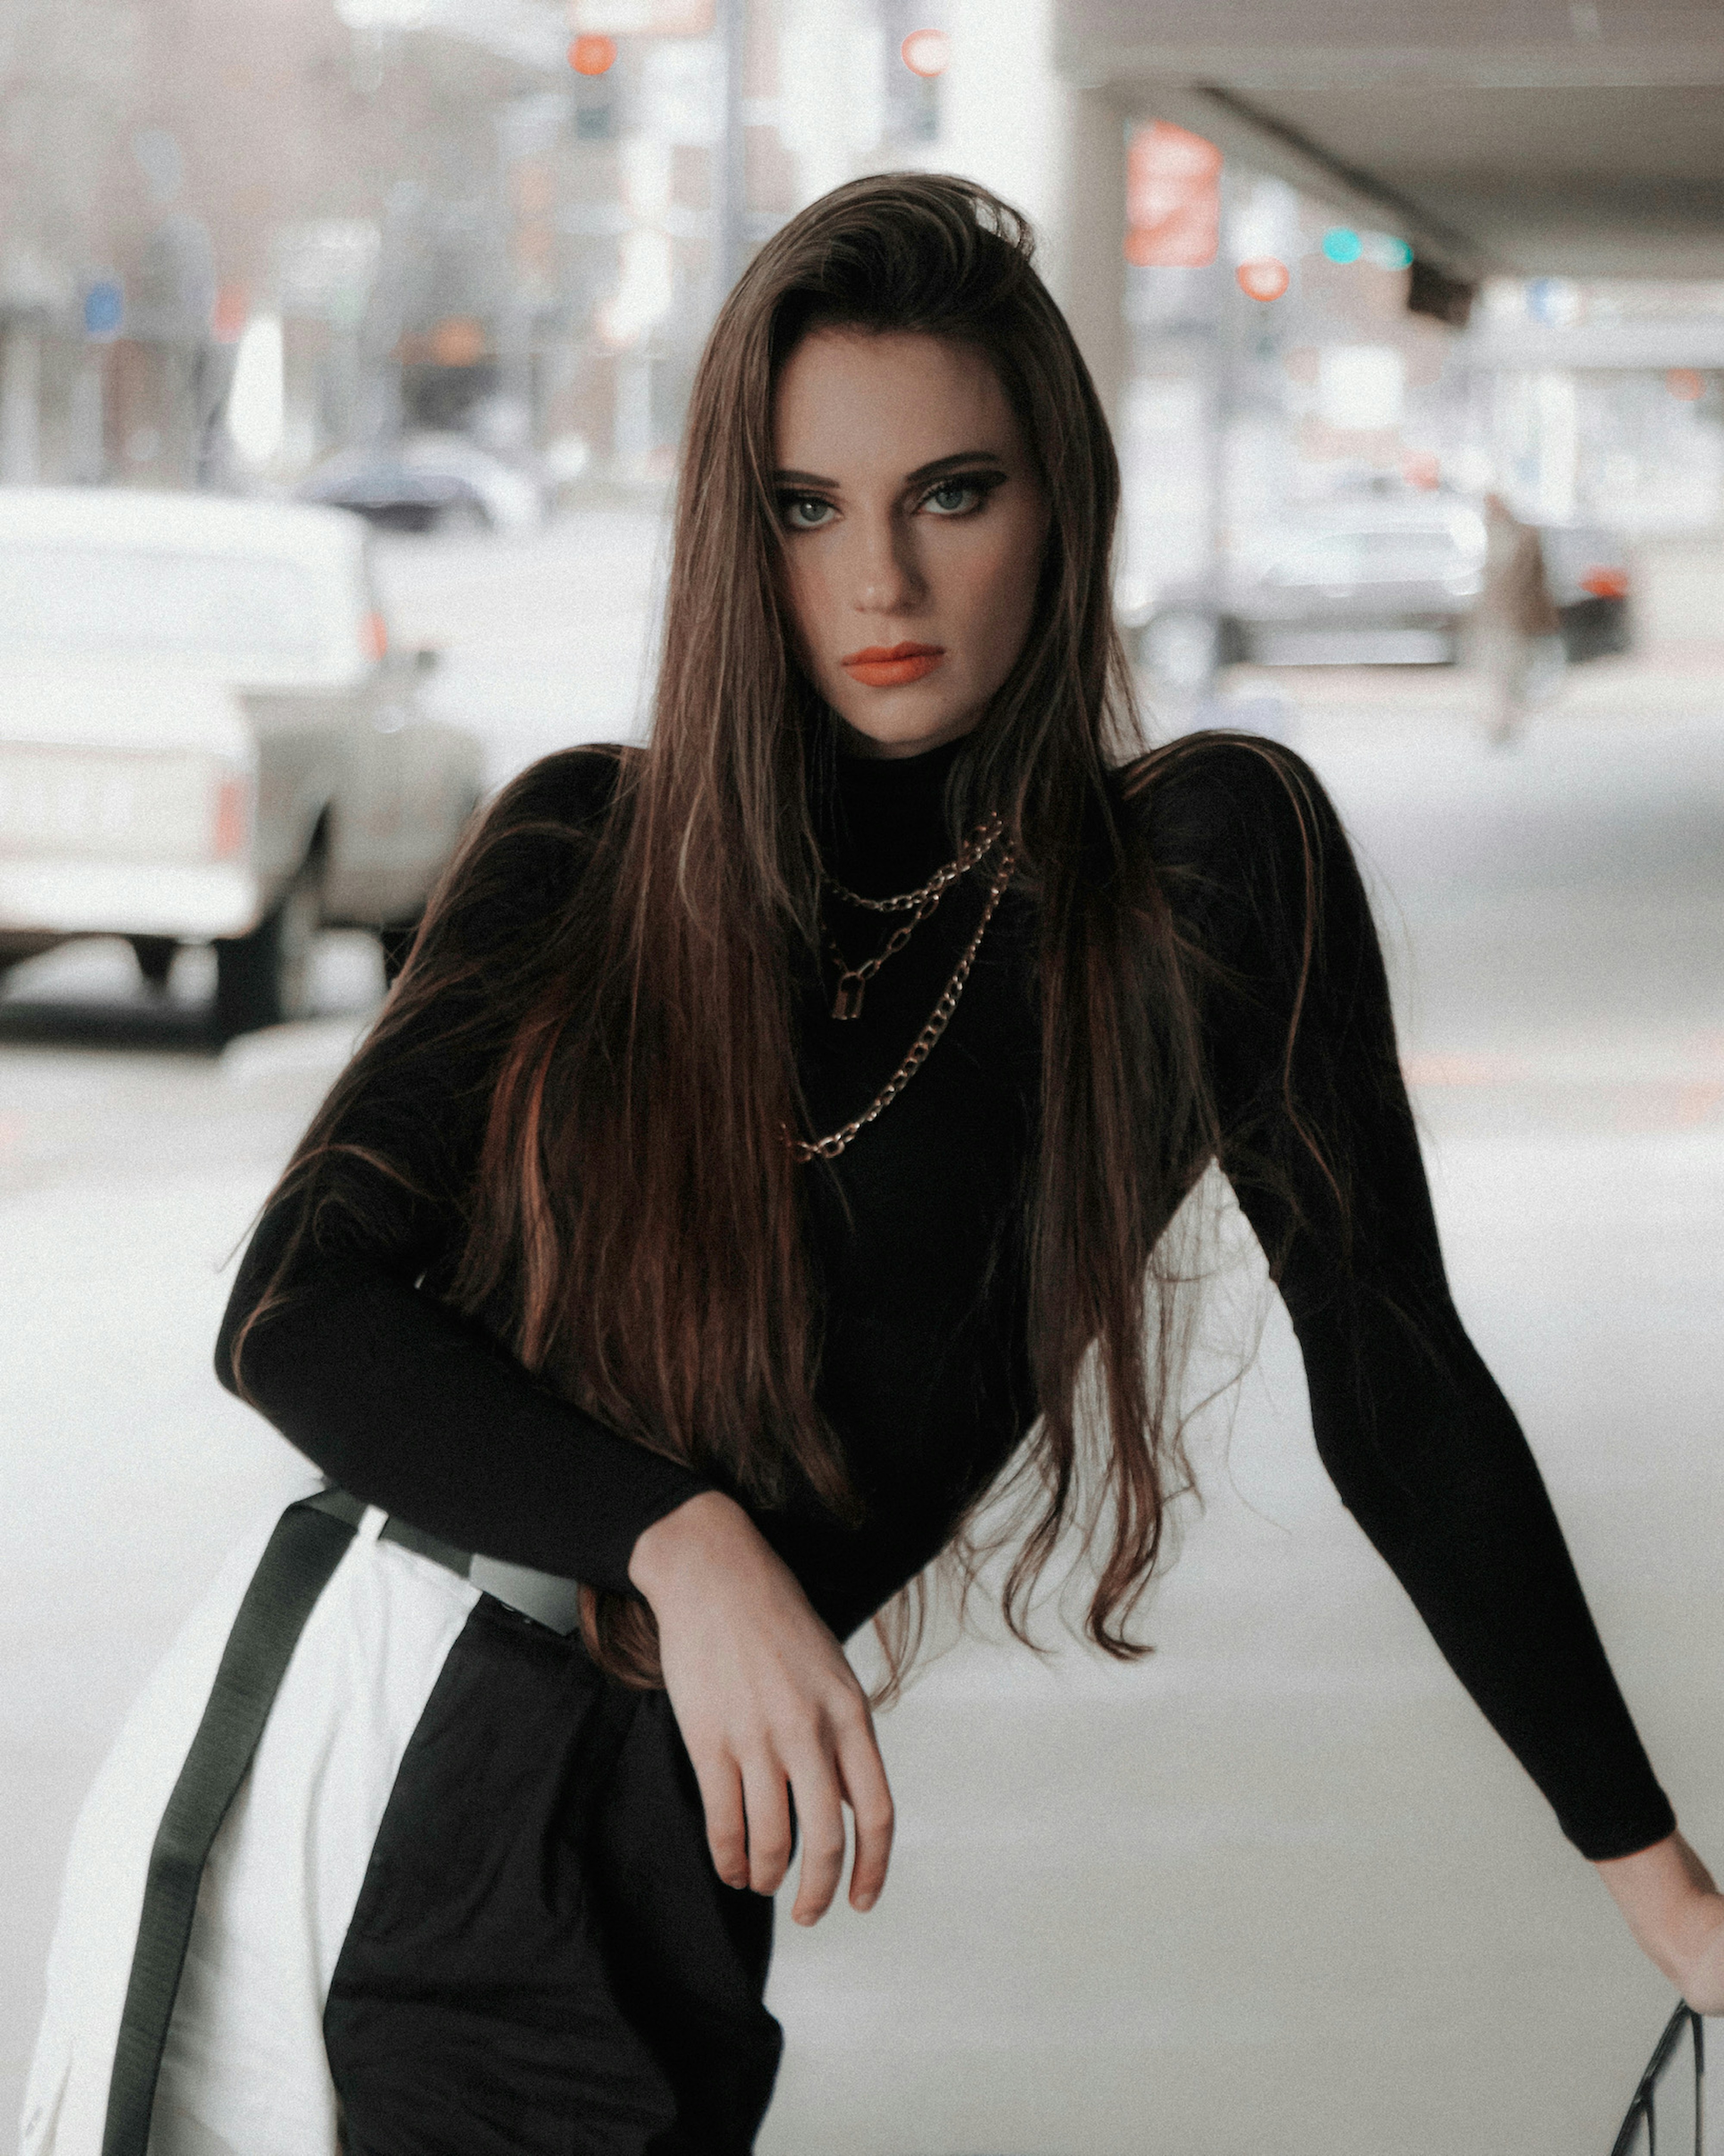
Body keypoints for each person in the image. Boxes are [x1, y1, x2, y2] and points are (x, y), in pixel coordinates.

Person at [22, 175, 1724, 2156]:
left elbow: (1395, 1379)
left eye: (951, 493)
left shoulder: (1198, 874)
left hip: (668, 1832)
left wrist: (1660, 1891)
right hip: (384, 1737)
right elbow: (293, 1313)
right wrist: (680, 1535)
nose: (879, 586)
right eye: (804, 508)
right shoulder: (584, 851)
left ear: (1056, 504)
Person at [1472, 489, 1562, 745]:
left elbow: (1538, 579)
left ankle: (1511, 718)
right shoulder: (1483, 534)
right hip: (1493, 618)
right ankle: (1501, 720)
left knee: (1515, 671)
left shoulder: (1526, 535)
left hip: (1519, 617)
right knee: (1496, 672)